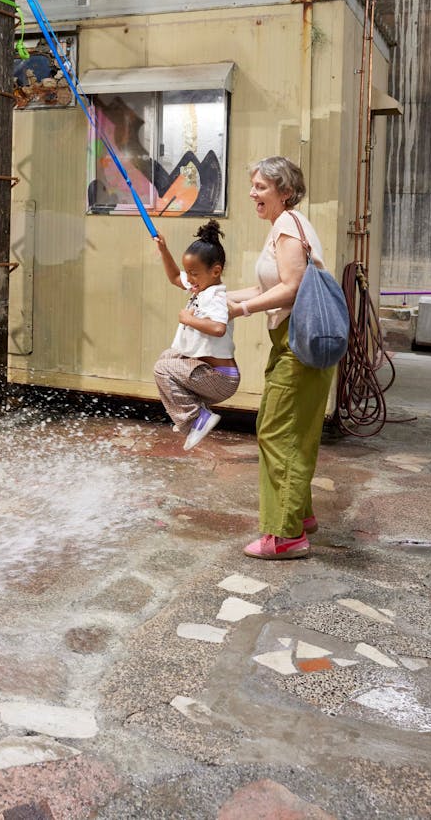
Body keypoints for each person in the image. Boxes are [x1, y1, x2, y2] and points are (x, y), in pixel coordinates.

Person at [226, 156, 335, 561]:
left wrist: (241, 311)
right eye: (252, 185)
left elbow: (292, 288)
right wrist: (220, 295)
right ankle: (301, 516)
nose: (253, 193)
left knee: (277, 432)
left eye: (261, 187)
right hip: (294, 344)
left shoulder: (288, 226)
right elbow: (265, 286)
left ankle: (286, 536)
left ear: (284, 191)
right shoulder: (289, 225)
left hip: (297, 345)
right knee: (294, 431)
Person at [153, 220, 240, 451]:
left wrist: (188, 319)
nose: (189, 279)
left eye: (194, 274)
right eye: (188, 273)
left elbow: (219, 327)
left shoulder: (215, 295)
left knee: (162, 370)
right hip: (208, 374)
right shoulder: (200, 287)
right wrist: (163, 249)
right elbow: (174, 278)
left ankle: (196, 419)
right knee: (166, 358)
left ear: (216, 271)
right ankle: (194, 411)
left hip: (221, 378)